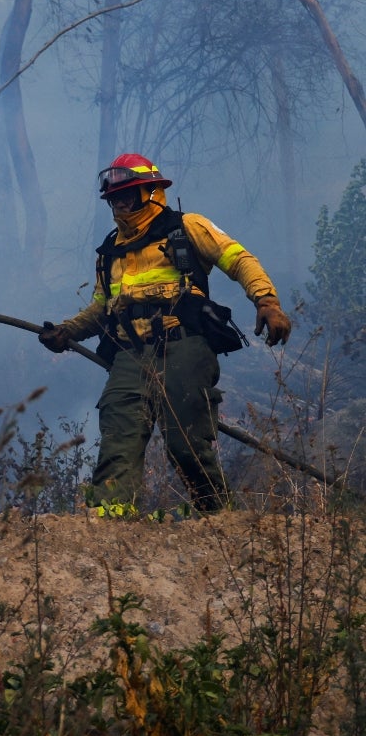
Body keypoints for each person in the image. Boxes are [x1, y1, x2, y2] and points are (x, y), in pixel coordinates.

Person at [38, 153, 292, 511]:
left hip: (182, 347)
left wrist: (267, 301)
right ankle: (111, 524)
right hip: (129, 357)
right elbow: (101, 308)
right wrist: (68, 332)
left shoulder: (187, 228)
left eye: (127, 195)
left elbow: (239, 259)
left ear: (152, 191)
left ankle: (216, 516)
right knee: (118, 439)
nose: (120, 203)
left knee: (185, 444)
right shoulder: (109, 252)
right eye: (114, 198)